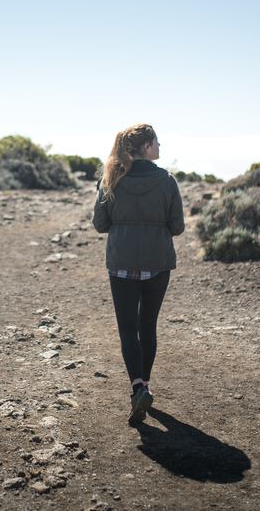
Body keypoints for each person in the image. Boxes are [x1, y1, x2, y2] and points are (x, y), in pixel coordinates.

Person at [91, 123, 185, 426]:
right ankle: (145, 383)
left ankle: (138, 387)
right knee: (148, 326)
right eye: (157, 142)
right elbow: (178, 227)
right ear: (145, 147)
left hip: (121, 263)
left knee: (128, 330)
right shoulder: (167, 181)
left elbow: (100, 224)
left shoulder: (111, 178)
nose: (160, 147)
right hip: (157, 263)